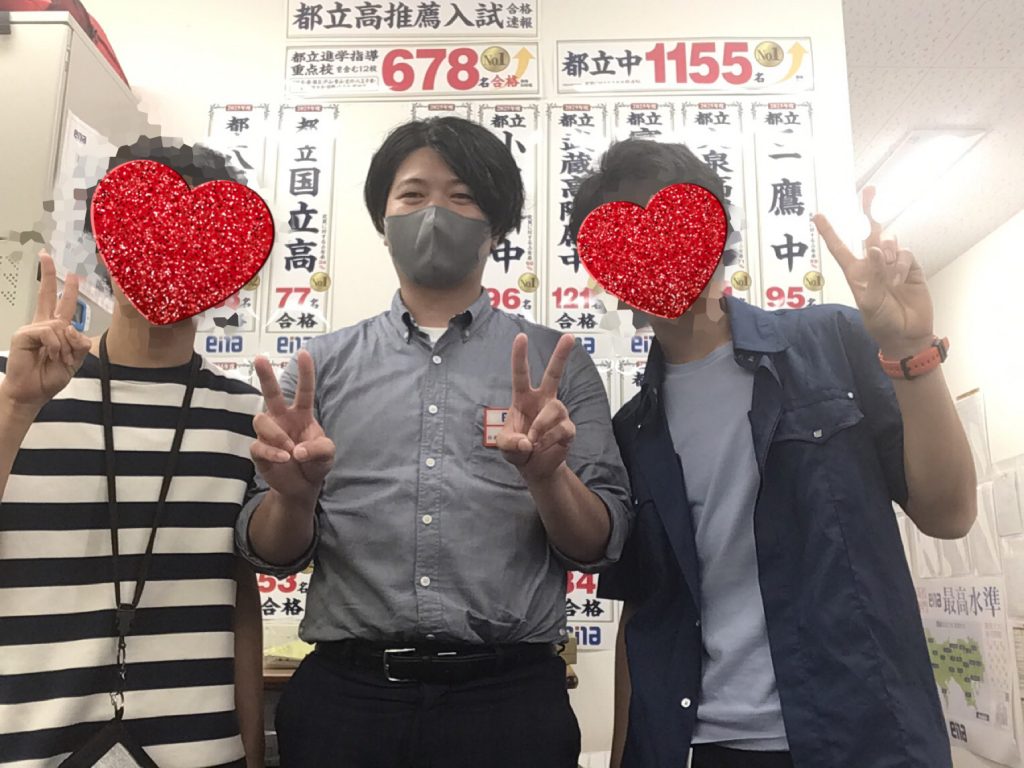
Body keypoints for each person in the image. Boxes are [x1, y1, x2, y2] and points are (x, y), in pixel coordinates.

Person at [236, 116, 632, 768]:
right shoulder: (319, 369)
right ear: (382, 219)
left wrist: (548, 478)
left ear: (496, 226)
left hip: (510, 706)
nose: (434, 213)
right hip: (348, 704)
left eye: (462, 196)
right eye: (413, 195)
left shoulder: (554, 365)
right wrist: (293, 498)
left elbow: (600, 543)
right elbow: (269, 553)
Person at [568, 139, 977, 768]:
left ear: (719, 237)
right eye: (631, 247)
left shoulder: (832, 343)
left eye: (678, 229)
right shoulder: (631, 431)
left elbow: (950, 515)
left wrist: (910, 348)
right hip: (704, 745)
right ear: (611, 281)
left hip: (863, 736)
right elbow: (644, 615)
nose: (661, 256)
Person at [0, 139, 266, 767]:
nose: (166, 262)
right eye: (145, 238)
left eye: (193, 248)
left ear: (230, 272)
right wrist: (16, 411)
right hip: (28, 744)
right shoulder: (18, 387)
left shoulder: (248, 416)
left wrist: (252, 753)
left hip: (201, 751)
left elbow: (238, 601)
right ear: (104, 248)